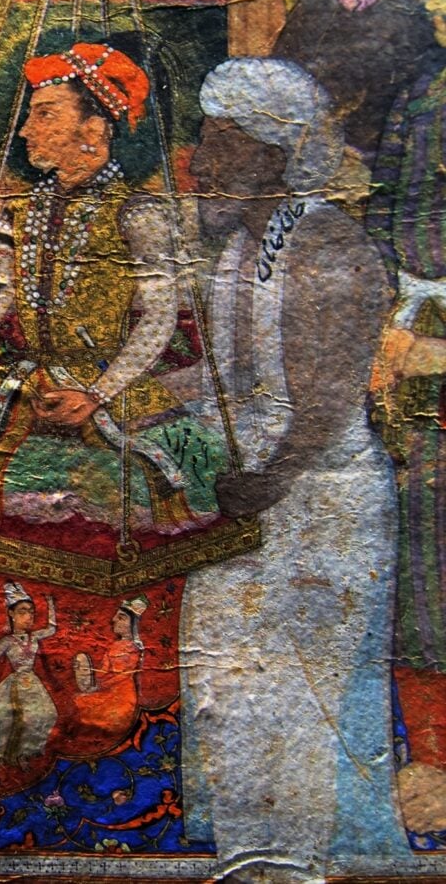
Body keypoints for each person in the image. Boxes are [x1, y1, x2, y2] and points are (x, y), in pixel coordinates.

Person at [180, 58, 411, 881]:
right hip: (248, 496)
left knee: (305, 694)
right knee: (228, 688)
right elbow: (228, 375)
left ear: (272, 153)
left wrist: (265, 483)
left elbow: (325, 400)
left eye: (220, 143)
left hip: (318, 503)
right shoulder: (240, 250)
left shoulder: (330, 246)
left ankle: (304, 865)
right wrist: (119, 402)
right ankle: (247, 858)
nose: (199, 163)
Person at [0, 44, 226, 534]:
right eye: (30, 115)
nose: (25, 130)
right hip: (26, 381)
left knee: (154, 477)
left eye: (45, 114)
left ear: (94, 129)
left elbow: (160, 319)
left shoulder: (138, 214)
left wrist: (97, 393)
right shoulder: (23, 210)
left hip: (106, 386)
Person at [366, 0, 446, 825]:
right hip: (416, 317)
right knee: (422, 552)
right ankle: (429, 756)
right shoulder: (420, 97)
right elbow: (390, 206)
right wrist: (396, 316)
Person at [0, 581, 57, 766]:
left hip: (32, 682)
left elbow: (52, 629)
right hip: (14, 682)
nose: (29, 617)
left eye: (31, 612)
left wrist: (50, 603)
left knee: (48, 714)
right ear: (11, 614)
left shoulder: (35, 636)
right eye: (22, 612)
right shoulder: (7, 641)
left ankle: (26, 752)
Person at [72, 594, 146, 739]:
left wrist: (100, 684)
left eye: (121, 618)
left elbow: (122, 676)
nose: (113, 620)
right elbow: (104, 671)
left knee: (84, 705)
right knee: (79, 701)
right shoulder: (114, 646)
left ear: (133, 624)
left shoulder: (131, 648)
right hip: (108, 691)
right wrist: (89, 674)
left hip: (121, 696)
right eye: (116, 616)